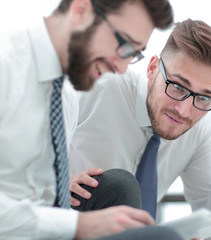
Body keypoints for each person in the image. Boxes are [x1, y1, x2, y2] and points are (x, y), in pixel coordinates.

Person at [0, 0, 184, 239]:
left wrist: (61, 195)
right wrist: (77, 225)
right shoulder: (7, 67)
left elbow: (37, 199)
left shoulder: (65, 99)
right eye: (123, 44)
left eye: (134, 53)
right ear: (81, 10)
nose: (121, 68)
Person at [69, 18, 211, 240]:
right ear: (152, 68)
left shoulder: (202, 126)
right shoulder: (98, 85)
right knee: (120, 186)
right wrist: (54, 185)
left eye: (204, 97)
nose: (184, 111)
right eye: (177, 86)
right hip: (57, 224)